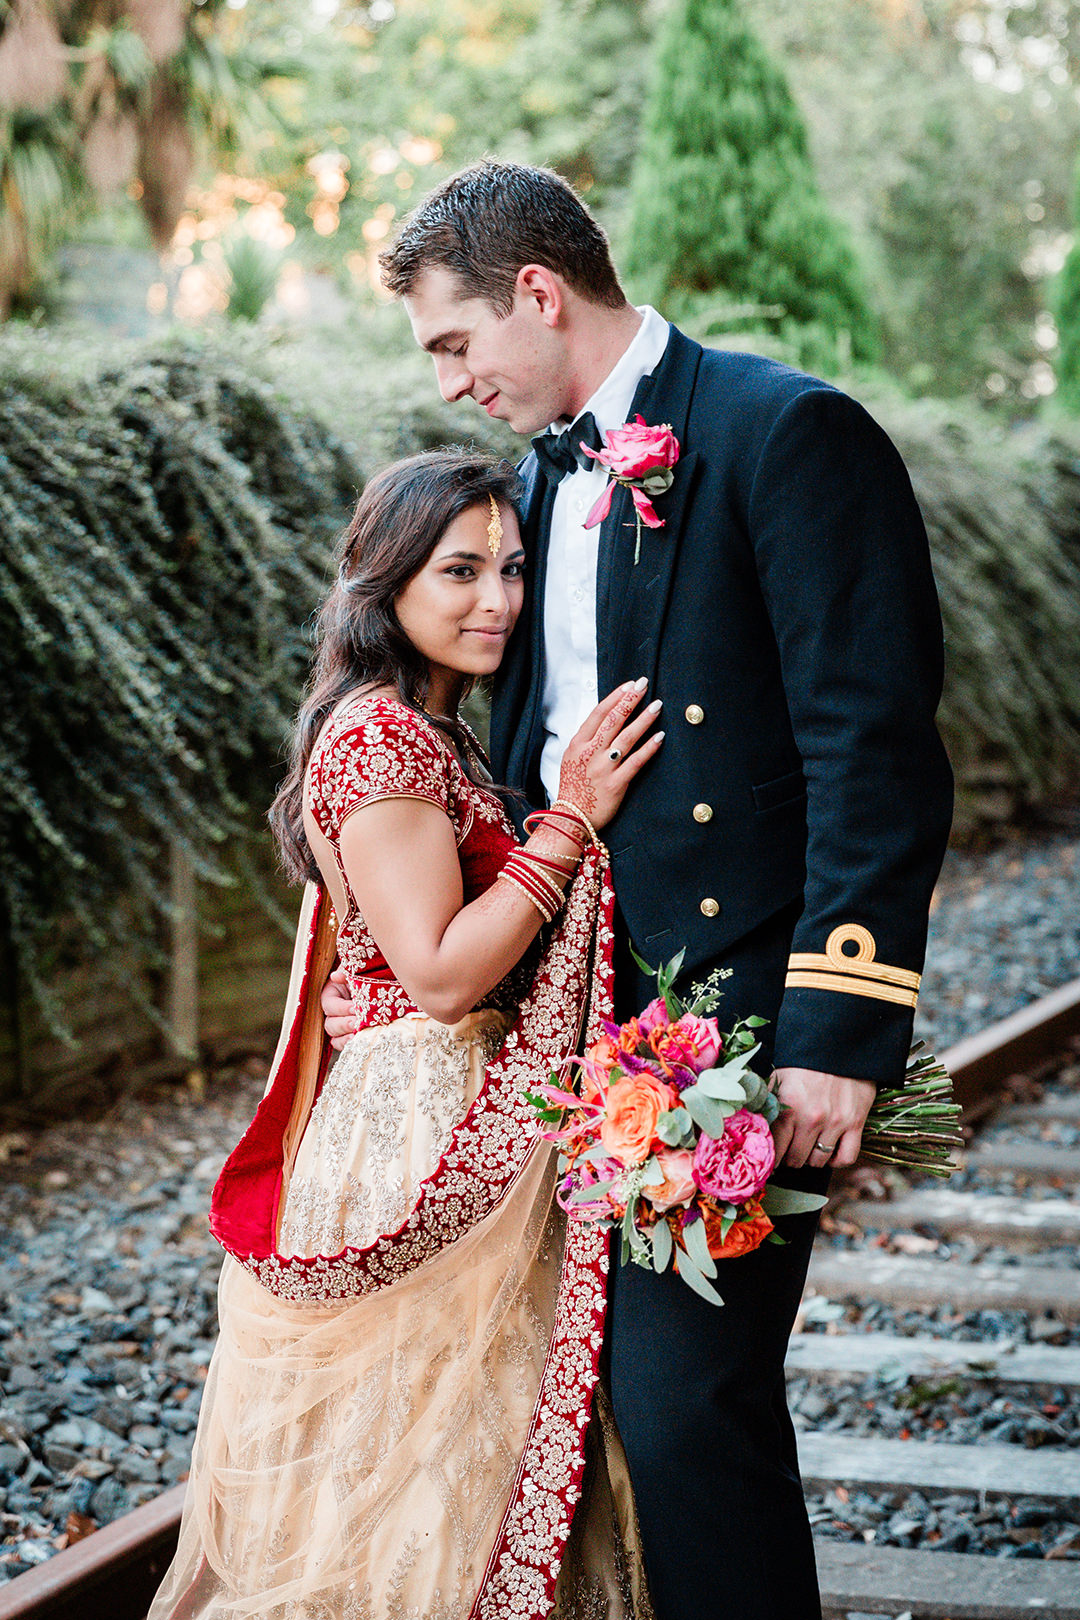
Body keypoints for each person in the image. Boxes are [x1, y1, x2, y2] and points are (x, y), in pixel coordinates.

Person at [322, 160, 955, 1620]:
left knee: (684, 1403)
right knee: (587, 1404)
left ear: (537, 294)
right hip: (564, 1025)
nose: (452, 379)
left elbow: (872, 750)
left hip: (726, 1029)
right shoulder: (544, 478)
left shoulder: (788, 434)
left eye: (455, 341)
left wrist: (836, 1026)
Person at [147, 449, 665, 1620]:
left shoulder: (433, 734)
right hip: (416, 1128)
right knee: (425, 1466)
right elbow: (435, 975)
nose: (498, 599)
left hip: (450, 1102)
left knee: (473, 1447)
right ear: (387, 584)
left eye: (515, 570)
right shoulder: (380, 740)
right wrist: (572, 822)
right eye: (461, 571)